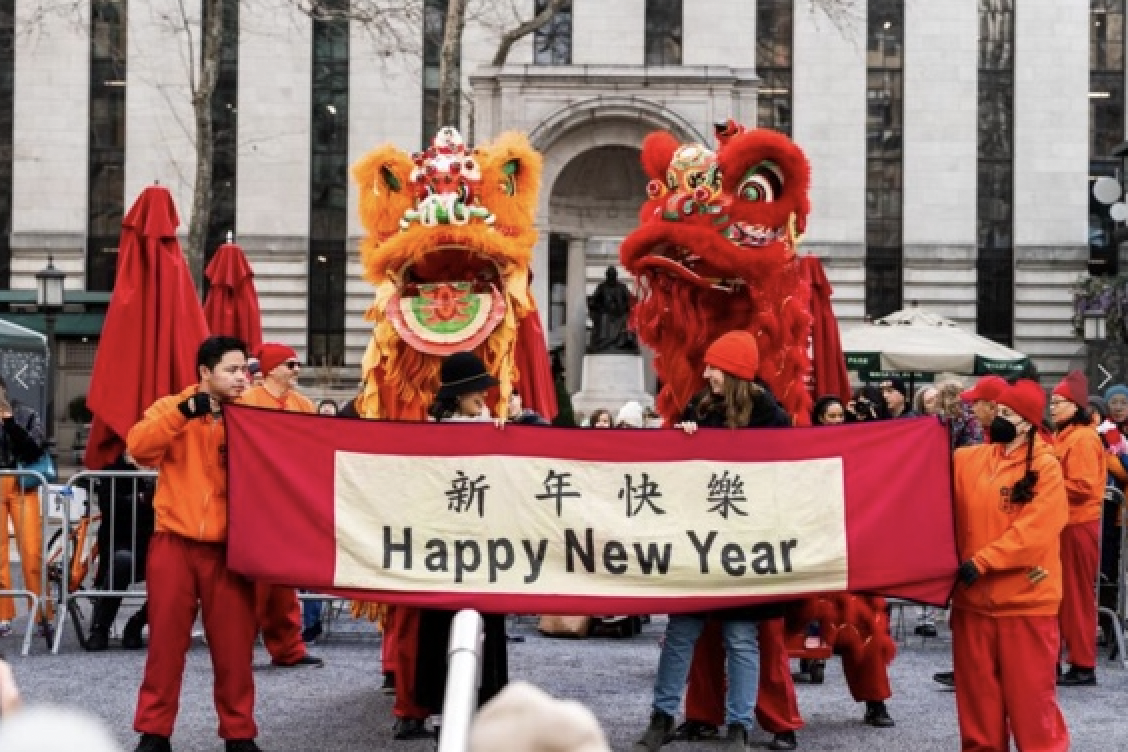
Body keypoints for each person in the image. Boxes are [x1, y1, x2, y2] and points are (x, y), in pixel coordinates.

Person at [634, 331, 792, 752]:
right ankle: (662, 716)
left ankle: (739, 725)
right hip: (700, 541)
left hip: (746, 544)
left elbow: (786, 474)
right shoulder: (699, 408)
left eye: (714, 367)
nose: (707, 374)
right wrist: (683, 437)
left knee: (740, 637)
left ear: (735, 372)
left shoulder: (771, 417)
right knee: (682, 630)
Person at [126, 335, 264, 752]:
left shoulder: (255, 411)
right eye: (232, 370)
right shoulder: (172, 408)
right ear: (205, 372)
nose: (242, 378)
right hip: (175, 542)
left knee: (235, 649)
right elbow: (138, 448)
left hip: (231, 548)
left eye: (245, 370)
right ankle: (154, 732)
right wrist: (184, 414)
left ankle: (239, 734)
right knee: (165, 644)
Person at [950, 379, 1070, 752]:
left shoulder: (1046, 469)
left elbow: (1035, 529)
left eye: (1007, 414)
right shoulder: (971, 459)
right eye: (997, 412)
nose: (997, 419)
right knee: (977, 700)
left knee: (1031, 701)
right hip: (972, 603)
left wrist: (984, 560)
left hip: (1024, 603)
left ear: (1028, 422)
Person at [401, 352, 509, 739]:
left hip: (483, 546)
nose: (483, 394)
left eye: (483, 387)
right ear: (457, 394)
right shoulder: (431, 433)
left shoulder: (497, 428)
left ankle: (487, 707)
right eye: (475, 389)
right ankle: (439, 708)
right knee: (438, 623)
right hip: (443, 546)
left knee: (489, 623)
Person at [807, 394, 895, 728]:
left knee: (867, 626)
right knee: (811, 614)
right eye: (828, 415)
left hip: (853, 547)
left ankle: (876, 701)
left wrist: (871, 423)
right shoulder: (805, 448)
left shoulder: (859, 446)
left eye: (839, 415)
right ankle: (814, 657)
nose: (835, 420)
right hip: (816, 548)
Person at [240, 343, 324, 669]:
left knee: (283, 584)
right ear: (272, 368)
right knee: (253, 583)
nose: (296, 369)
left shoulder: (303, 404)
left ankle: (289, 647)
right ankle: (239, 648)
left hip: (287, 502)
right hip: (255, 501)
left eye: (297, 364)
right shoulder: (246, 402)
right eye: (290, 364)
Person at [933, 373, 1006, 689]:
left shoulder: (1010, 447)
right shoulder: (985, 440)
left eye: (977, 403)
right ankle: (970, 668)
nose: (972, 408)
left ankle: (984, 669)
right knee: (970, 611)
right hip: (979, 537)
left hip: (993, 547)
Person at [1050, 371, 1106, 687]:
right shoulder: (1068, 436)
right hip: (1067, 523)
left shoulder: (1082, 438)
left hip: (1077, 524)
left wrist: (1045, 482)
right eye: (1052, 402)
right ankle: (1063, 659)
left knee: (1076, 596)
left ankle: (1083, 663)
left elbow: (1083, 486)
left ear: (1075, 406)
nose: (1053, 408)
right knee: (1062, 595)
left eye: (1058, 402)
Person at [84, 452, 155, 651]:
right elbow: (110, 505)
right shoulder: (115, 467)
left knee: (178, 570)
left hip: (158, 542)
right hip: (120, 543)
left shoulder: (169, 465)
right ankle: (101, 628)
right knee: (123, 561)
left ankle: (137, 623)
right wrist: (142, 498)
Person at [0, 375, 53, 640]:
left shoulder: (26, 415)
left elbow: (33, 451)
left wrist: (9, 423)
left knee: (31, 551)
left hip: (23, 482)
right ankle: (2, 615)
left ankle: (42, 612)